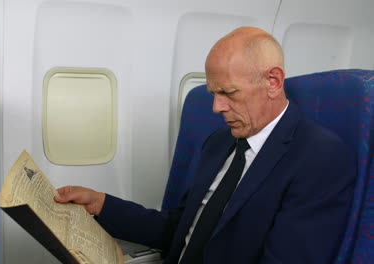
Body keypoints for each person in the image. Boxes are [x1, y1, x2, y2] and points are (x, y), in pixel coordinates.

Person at [54, 27, 356, 263]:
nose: (216, 107)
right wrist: (102, 204)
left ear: (273, 81)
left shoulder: (319, 157)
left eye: (228, 92)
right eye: (213, 92)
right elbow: (179, 229)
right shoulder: (218, 143)